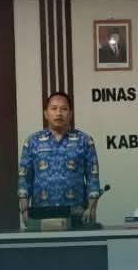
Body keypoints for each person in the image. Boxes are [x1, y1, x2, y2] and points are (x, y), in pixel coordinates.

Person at [17, 92, 101, 223]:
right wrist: (24, 209)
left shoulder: (84, 140)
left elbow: (93, 177)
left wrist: (92, 207)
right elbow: (24, 177)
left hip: (76, 213)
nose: (59, 113)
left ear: (70, 114)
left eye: (64, 109)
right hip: (41, 213)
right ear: (46, 113)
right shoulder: (32, 141)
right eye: (54, 108)